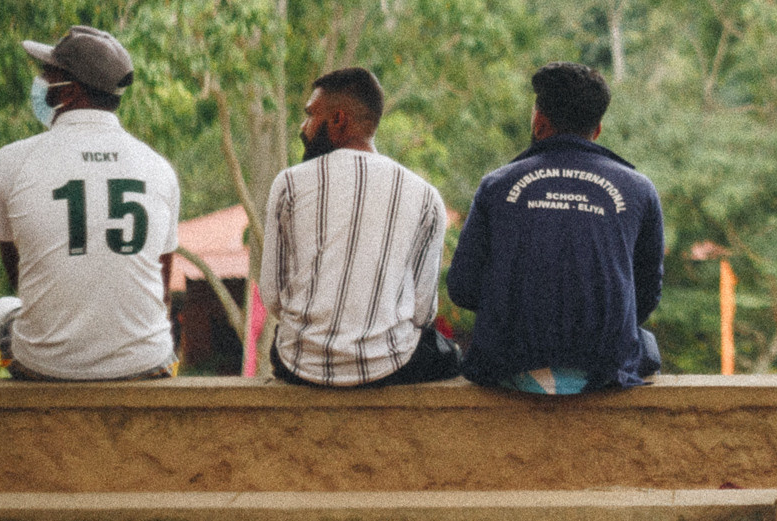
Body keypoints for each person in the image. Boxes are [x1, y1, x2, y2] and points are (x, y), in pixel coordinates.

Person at [448, 62, 664, 395]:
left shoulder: (497, 184)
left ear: (539, 122)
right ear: (598, 129)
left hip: (508, 367)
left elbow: (462, 288)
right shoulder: (639, 188)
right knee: (645, 344)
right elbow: (645, 299)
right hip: (600, 372)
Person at [0, 26, 180, 381]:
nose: (40, 83)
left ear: (70, 91)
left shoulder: (12, 160)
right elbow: (162, 287)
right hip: (146, 364)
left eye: (48, 75)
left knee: (0, 313)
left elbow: (20, 278)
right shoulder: (158, 167)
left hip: (47, 367)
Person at [259, 66, 461, 387]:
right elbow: (423, 312)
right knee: (451, 354)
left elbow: (272, 297)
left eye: (311, 115)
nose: (303, 125)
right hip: (390, 366)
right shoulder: (425, 196)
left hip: (298, 364)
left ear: (338, 120)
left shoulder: (289, 184)